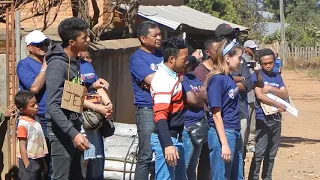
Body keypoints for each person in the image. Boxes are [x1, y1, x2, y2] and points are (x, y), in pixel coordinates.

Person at [45, 17, 92, 180]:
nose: (88, 40)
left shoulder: (74, 61)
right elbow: (52, 105)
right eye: (84, 38)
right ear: (72, 42)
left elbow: (70, 93)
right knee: (61, 177)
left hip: (73, 126)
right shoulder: (58, 65)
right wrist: (73, 133)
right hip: (61, 131)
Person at [150, 37, 188, 180]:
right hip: (166, 139)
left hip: (175, 138)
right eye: (184, 59)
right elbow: (160, 115)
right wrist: (168, 145)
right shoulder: (163, 80)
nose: (186, 61)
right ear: (172, 59)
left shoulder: (172, 75)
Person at [205, 39, 244, 180]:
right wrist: (224, 144)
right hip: (223, 133)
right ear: (227, 58)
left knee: (237, 176)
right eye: (239, 58)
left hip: (234, 131)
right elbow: (216, 115)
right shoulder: (217, 80)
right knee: (221, 176)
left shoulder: (228, 78)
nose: (241, 61)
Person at [129, 21, 163, 180]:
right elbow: (152, 80)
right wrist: (164, 79)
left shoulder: (162, 54)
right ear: (143, 38)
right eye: (155, 35)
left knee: (164, 153)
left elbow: (177, 76)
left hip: (165, 110)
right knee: (146, 155)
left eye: (160, 34)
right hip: (147, 110)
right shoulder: (137, 58)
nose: (159, 38)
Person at [17, 30, 52, 179]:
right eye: (39, 44)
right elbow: (34, 88)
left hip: (54, 115)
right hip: (37, 119)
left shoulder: (52, 63)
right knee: (37, 159)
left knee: (51, 161)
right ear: (30, 47)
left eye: (45, 43)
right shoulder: (24, 65)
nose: (43, 46)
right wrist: (44, 67)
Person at [248, 49, 288, 180]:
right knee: (259, 153)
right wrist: (279, 105)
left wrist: (270, 89)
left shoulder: (277, 76)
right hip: (262, 119)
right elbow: (260, 95)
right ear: (260, 63)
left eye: (271, 63)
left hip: (276, 119)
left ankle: (267, 177)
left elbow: (285, 93)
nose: (268, 66)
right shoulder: (257, 76)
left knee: (271, 154)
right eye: (265, 63)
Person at [79, 50, 112, 180]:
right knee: (84, 162)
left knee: (96, 161)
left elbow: (97, 87)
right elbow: (73, 95)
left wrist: (108, 104)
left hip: (95, 120)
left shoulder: (86, 65)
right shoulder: (68, 65)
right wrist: (97, 108)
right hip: (81, 119)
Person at [193, 38, 222, 180]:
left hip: (218, 117)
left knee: (213, 157)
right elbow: (204, 93)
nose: (221, 53)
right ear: (208, 52)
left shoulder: (221, 68)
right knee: (202, 157)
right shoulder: (200, 70)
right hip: (204, 118)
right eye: (217, 50)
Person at [181, 56, 206, 180]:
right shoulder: (182, 80)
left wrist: (199, 98)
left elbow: (206, 97)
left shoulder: (195, 79)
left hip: (199, 126)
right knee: (184, 164)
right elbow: (192, 100)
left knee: (192, 165)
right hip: (187, 127)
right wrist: (200, 97)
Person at [15, 90, 48, 180]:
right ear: (22, 109)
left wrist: (43, 163)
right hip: (29, 161)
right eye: (32, 105)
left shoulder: (36, 120)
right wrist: (28, 166)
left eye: (36, 103)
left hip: (38, 160)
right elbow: (22, 147)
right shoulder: (23, 125)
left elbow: (39, 145)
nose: (36, 107)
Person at [230, 40, 254, 162]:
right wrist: (236, 79)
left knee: (240, 149)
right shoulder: (217, 63)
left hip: (241, 110)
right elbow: (219, 79)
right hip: (225, 114)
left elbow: (247, 84)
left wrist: (229, 80)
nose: (240, 61)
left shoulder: (243, 62)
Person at [242, 40, 259, 153]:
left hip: (253, 94)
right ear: (246, 49)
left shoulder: (254, 61)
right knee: (245, 121)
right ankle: (243, 143)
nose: (253, 51)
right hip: (245, 95)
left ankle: (250, 142)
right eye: (251, 49)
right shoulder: (242, 61)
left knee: (253, 121)